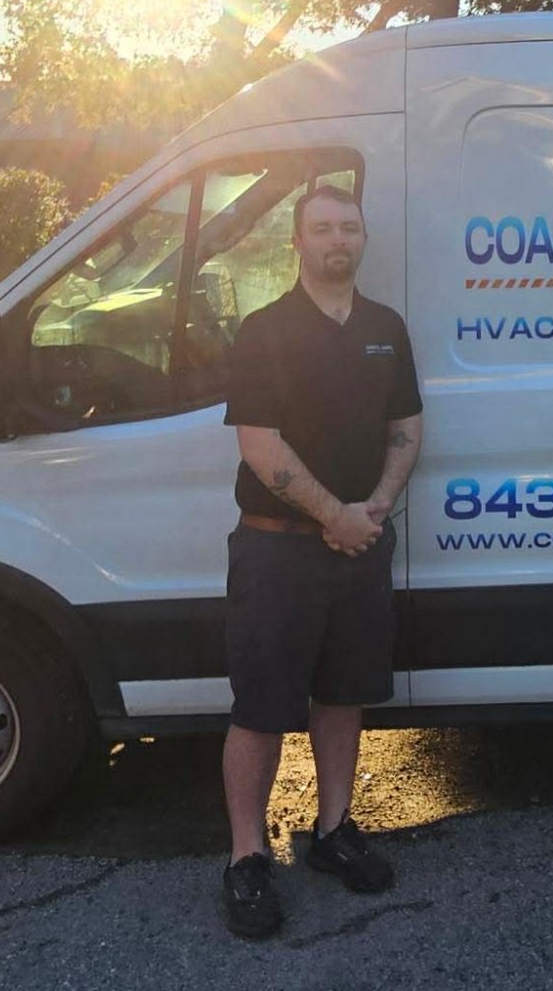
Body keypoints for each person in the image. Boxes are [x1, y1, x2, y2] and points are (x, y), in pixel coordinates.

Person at [216, 183, 423, 939]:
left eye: (350, 228)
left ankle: (334, 830)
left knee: (343, 696)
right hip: (277, 548)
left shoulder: (385, 328)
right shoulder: (265, 330)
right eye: (324, 228)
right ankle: (246, 858)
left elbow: (406, 426)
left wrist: (376, 508)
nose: (339, 239)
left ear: (363, 239)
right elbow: (260, 445)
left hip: (360, 544)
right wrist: (335, 514)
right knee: (262, 706)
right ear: (297, 242)